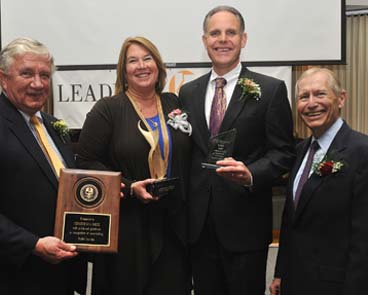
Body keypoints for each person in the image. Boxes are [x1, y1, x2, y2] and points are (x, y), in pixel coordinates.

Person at [178, 5, 295, 295]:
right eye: (215, 33)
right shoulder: (188, 92)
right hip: (199, 229)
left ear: (243, 39)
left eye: (231, 32)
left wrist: (251, 174)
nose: (223, 39)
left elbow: (284, 153)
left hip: (245, 228)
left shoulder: (270, 90)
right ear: (204, 40)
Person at [0, 37, 86, 295]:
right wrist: (32, 244)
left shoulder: (55, 127)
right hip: (10, 278)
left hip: (58, 276)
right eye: (26, 73)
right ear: (2, 77)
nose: (38, 83)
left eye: (45, 75)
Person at [76, 36, 192, 295]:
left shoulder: (173, 103)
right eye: (133, 60)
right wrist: (129, 187)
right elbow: (84, 161)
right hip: (128, 226)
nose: (141, 65)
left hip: (173, 224)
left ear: (158, 66)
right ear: (124, 70)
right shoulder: (108, 109)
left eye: (147, 58)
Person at [270, 68, 368, 295]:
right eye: (304, 97)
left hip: (338, 285)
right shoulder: (300, 151)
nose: (311, 103)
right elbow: (291, 220)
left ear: (341, 98)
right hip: (295, 282)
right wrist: (281, 272)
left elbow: (363, 239)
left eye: (320, 94)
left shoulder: (361, 152)